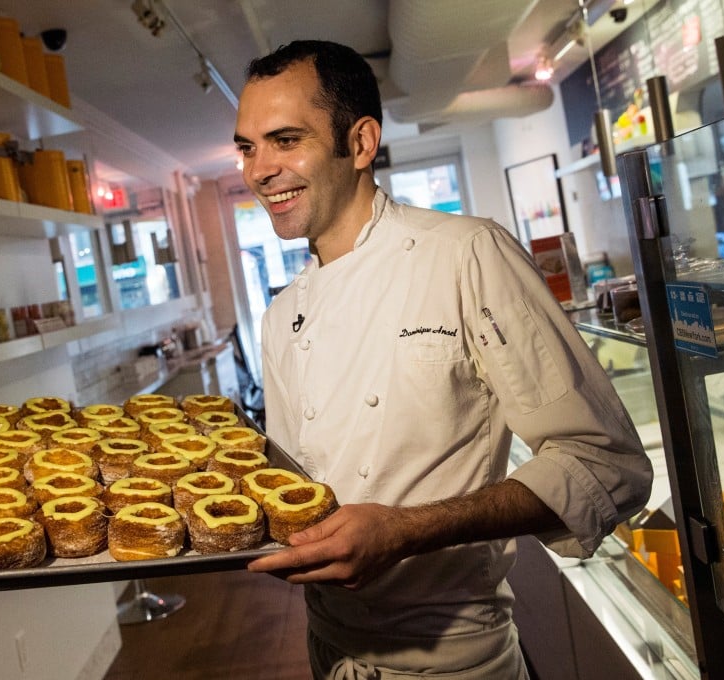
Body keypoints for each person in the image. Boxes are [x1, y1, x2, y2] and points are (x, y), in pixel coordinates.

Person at [234, 40, 653, 679]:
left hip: (456, 663)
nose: (260, 169)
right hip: (328, 653)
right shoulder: (281, 314)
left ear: (361, 142)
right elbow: (300, 488)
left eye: (286, 140)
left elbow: (606, 463)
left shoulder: (466, 254)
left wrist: (403, 531)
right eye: (247, 147)